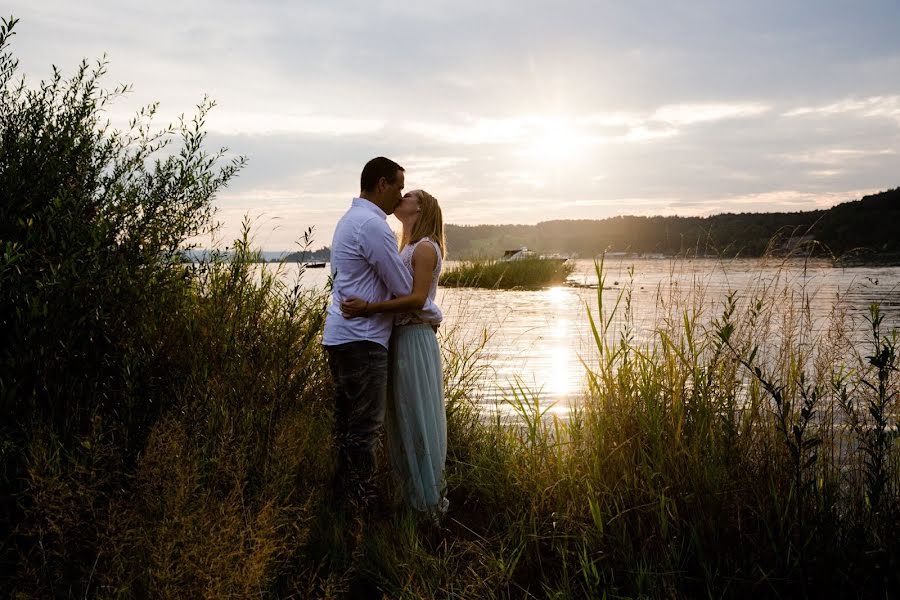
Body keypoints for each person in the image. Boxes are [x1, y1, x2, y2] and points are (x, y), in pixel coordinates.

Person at [322, 158, 442, 508]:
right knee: (364, 430)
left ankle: (343, 505)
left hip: (345, 336)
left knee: (348, 427)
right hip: (363, 340)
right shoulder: (373, 226)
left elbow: (405, 290)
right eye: (398, 187)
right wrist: (433, 311)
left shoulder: (350, 221)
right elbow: (406, 288)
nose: (400, 195)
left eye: (407, 192)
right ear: (381, 185)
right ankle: (359, 508)